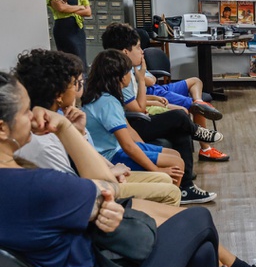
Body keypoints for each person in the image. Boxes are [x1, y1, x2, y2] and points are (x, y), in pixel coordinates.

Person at [0, 71, 227, 267]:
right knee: (199, 220)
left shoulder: (22, 183)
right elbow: (110, 186)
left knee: (201, 254)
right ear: (2, 128)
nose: (34, 115)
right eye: (26, 111)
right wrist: (65, 127)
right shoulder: (39, 186)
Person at [13, 48, 181, 205]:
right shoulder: (48, 134)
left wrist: (82, 134)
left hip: (102, 176)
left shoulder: (65, 116)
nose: (81, 87)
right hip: (95, 191)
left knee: (166, 177)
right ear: (59, 93)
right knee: (170, 190)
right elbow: (78, 182)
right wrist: (111, 172)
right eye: (76, 83)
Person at [82, 50, 218, 204]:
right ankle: (172, 200)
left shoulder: (107, 97)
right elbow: (128, 146)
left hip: (116, 149)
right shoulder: (108, 103)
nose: (131, 76)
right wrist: (156, 170)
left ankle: (176, 194)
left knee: (174, 154)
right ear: (120, 77)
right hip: (112, 156)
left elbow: (129, 131)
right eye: (129, 72)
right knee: (176, 163)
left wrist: (146, 149)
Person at [102, 23, 229, 162]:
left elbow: (134, 98)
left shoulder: (128, 70)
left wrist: (152, 97)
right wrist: (142, 79)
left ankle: (188, 174)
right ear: (125, 52)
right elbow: (137, 108)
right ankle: (198, 135)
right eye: (138, 47)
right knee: (183, 113)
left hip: (149, 100)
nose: (142, 51)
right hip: (137, 119)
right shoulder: (122, 76)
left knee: (185, 107)